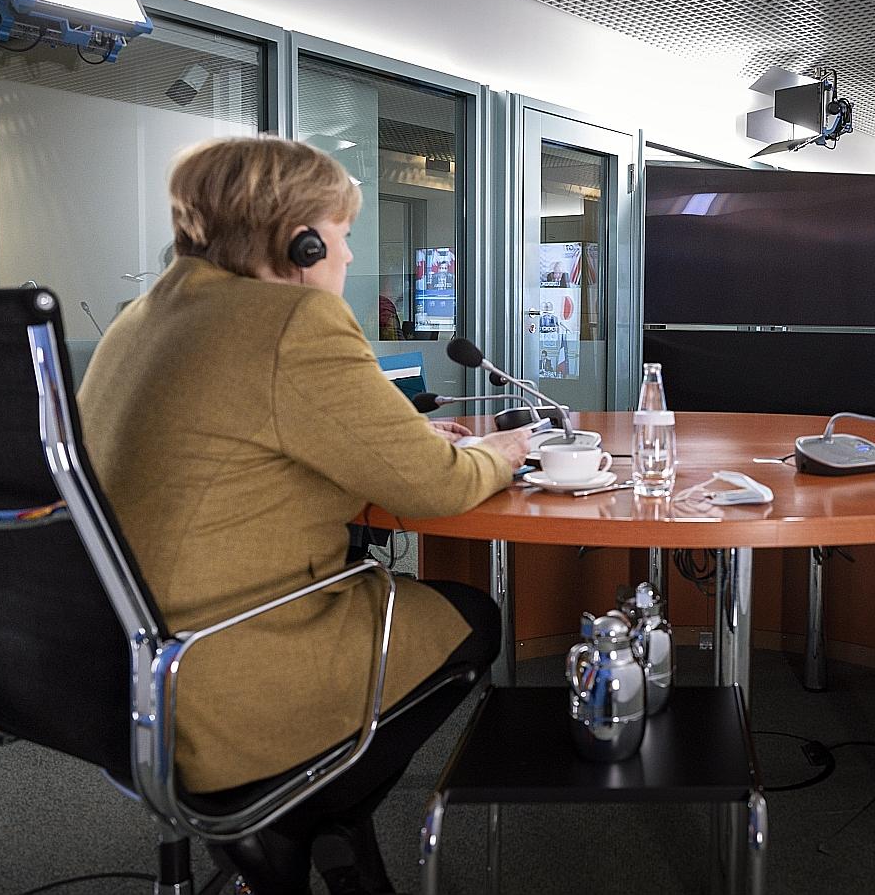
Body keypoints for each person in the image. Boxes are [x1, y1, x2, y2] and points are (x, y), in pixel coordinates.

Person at [77, 137, 535, 894]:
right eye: (343, 234)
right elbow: (437, 489)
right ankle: (305, 814)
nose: (350, 257)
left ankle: (309, 818)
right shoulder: (291, 320)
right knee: (473, 620)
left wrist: (398, 432)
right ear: (301, 240)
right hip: (220, 672)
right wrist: (511, 449)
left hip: (112, 673)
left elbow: (240, 437)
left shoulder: (143, 316)